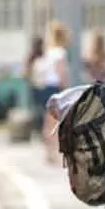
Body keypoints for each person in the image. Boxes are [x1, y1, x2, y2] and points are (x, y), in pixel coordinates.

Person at [32, 22, 71, 164]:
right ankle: (52, 153)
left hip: (44, 87)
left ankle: (48, 152)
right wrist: (65, 89)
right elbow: (61, 73)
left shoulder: (48, 50)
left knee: (47, 121)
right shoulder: (60, 52)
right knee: (54, 122)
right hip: (54, 87)